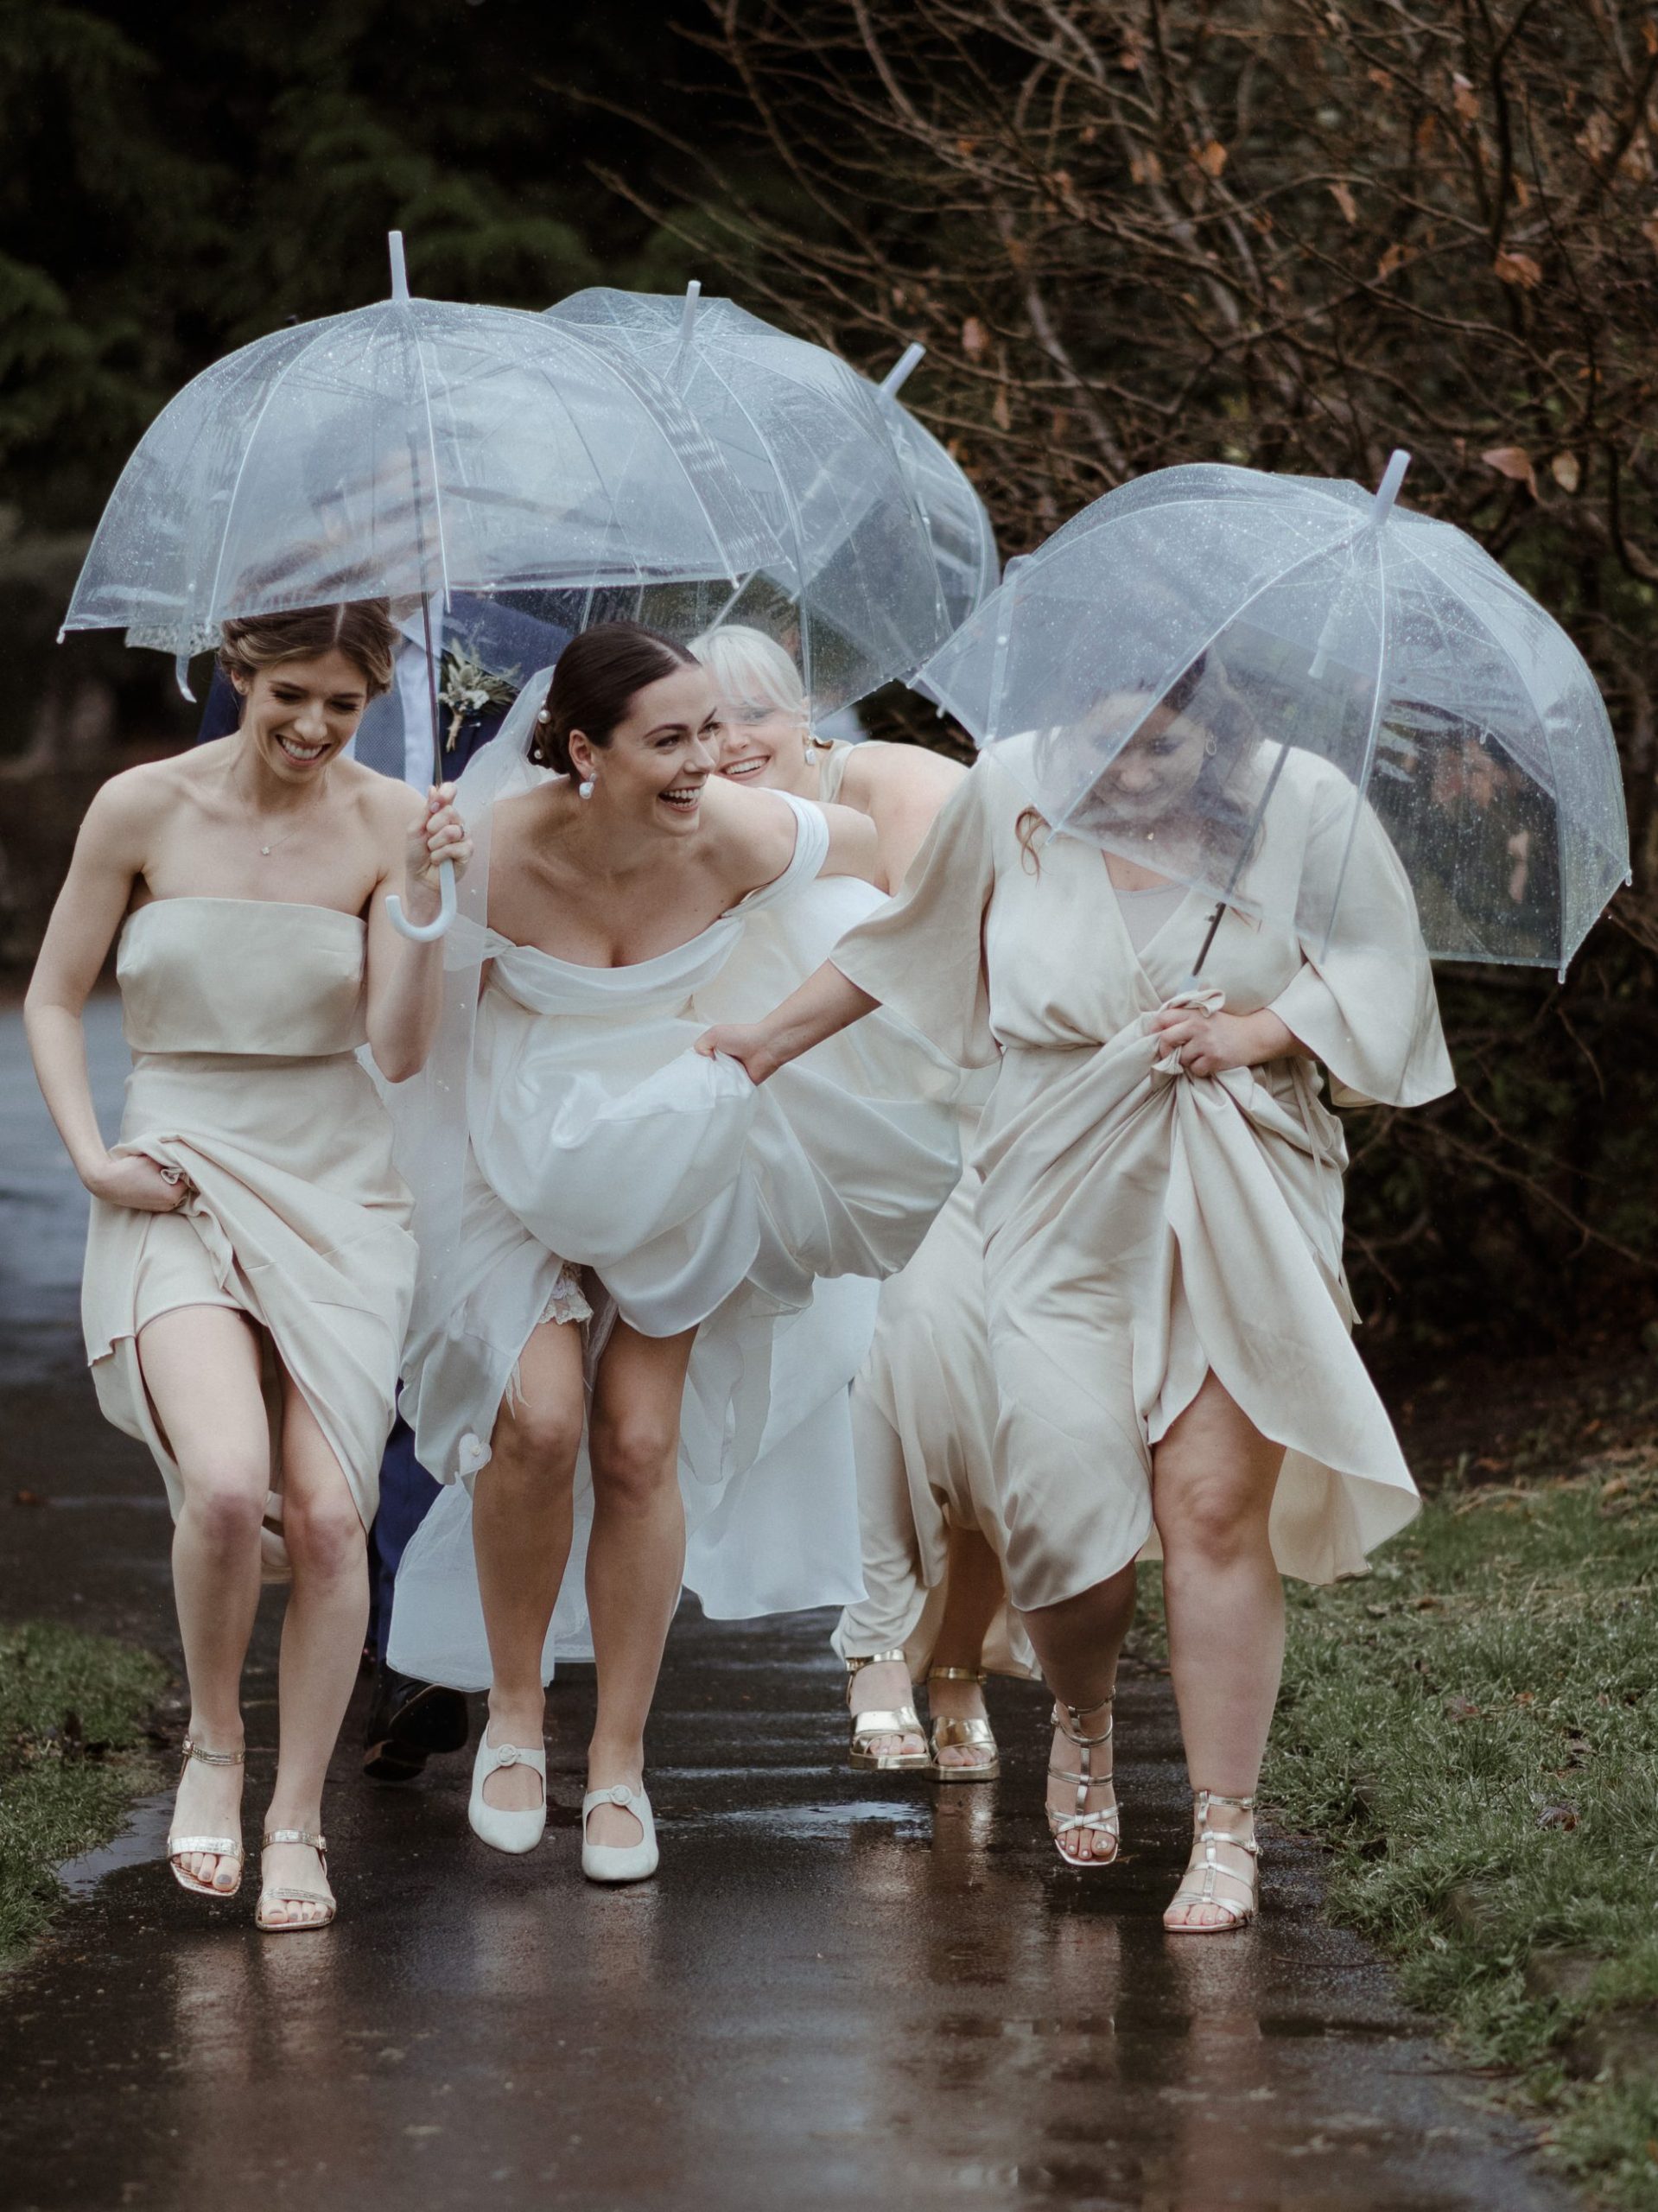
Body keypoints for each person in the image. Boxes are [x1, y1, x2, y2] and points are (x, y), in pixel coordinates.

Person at [696, 658, 1454, 1931]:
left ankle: (1225, 1832)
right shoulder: (1012, 792)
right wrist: (764, 1042)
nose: (1121, 775)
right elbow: (909, 945)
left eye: (1155, 751)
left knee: (1211, 1510)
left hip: (1237, 1176)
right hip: (1046, 1183)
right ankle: (1083, 1716)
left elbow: (1384, 968)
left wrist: (1256, 1032)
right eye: (1101, 746)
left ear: (1217, 736)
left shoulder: (1305, 806)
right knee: (1061, 1523)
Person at [392, 622, 959, 1884]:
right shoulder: (490, 847)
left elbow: (879, 896)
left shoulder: (746, 833)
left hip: (681, 1140)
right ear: (583, 751)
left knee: (639, 1441)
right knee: (537, 1424)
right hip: (517, 1152)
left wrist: (767, 1032)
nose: (710, 759)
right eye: (673, 739)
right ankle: (520, 1718)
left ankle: (619, 1762)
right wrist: (420, 897)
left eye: (714, 729)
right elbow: (418, 1049)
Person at [26, 600, 470, 1931]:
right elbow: (53, 995)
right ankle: (215, 1753)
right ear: (238, 675)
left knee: (332, 1520)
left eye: (344, 705)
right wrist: (92, 1153)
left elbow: (397, 1051)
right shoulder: (139, 808)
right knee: (226, 1490)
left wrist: (430, 902)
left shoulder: (395, 819)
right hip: (176, 1165)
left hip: (338, 1183)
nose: (314, 728)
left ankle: (297, 1818)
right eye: (290, 696)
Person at [195, 590, 570, 1786]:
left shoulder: (522, 649)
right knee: (360, 1318)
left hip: (466, 1001)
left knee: (445, 1295)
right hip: (312, 1012)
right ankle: (386, 1610)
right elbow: (223, 813)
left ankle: (422, 1631)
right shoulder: (281, 652)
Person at [698, 623, 1033, 1781]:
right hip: (806, 1153)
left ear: (813, 714)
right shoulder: (700, 820)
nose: (734, 742)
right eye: (708, 720)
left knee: (967, 1396)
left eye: (759, 715)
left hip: (959, 1132)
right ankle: (882, 1653)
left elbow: (960, 964)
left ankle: (955, 1657)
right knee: (861, 1388)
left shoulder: (911, 788)